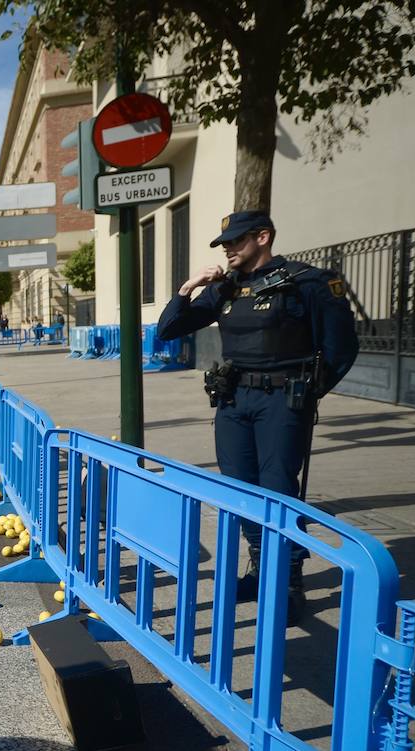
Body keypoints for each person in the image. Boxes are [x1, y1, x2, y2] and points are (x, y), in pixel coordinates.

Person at [157, 210, 358, 622]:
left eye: (237, 240)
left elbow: (341, 349)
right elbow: (169, 328)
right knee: (239, 490)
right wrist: (189, 287)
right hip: (233, 400)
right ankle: (259, 569)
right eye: (225, 243)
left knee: (278, 489)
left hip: (282, 402)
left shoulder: (306, 283)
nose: (228, 248)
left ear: (263, 237)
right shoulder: (227, 289)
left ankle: (289, 582)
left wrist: (306, 392)